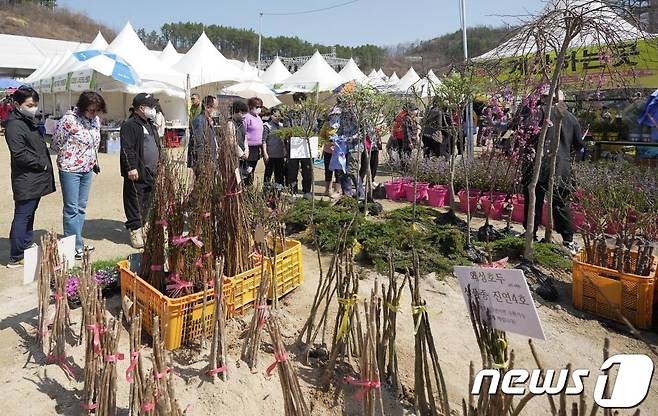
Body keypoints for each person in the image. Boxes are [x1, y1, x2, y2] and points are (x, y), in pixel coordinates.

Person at [523, 90, 584, 254]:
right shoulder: (571, 118)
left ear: (544, 98)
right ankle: (568, 240)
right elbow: (579, 145)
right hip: (561, 168)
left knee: (533, 201)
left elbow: (525, 136)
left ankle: (531, 234)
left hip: (537, 166)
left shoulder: (538, 113)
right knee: (560, 205)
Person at [3, 86, 55, 268]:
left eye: (35, 104)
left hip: (34, 177)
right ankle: (16, 256)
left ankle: (25, 243)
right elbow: (19, 153)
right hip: (27, 178)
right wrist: (41, 164)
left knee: (29, 213)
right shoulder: (14, 124)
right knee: (23, 215)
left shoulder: (26, 119)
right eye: (29, 105)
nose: (34, 108)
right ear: (17, 104)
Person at [51, 91, 106, 259]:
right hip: (70, 169)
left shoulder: (95, 120)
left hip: (87, 168)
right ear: (82, 107)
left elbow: (95, 143)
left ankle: (78, 242)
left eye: (96, 110)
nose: (93, 113)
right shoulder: (68, 120)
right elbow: (55, 143)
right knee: (71, 208)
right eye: (90, 110)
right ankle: (73, 245)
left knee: (81, 207)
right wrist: (72, 153)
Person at [120, 93, 161, 249]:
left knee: (147, 201)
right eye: (151, 106)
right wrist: (131, 167)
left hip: (152, 171)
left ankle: (143, 226)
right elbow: (127, 148)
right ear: (141, 108)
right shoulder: (130, 125)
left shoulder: (149, 123)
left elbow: (156, 145)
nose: (154, 109)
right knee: (134, 202)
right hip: (137, 171)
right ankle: (135, 230)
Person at [286, 92, 313, 199]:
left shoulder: (310, 113)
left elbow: (314, 127)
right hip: (293, 145)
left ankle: (307, 191)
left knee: (307, 169)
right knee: (292, 169)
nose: (299, 104)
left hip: (307, 145)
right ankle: (293, 191)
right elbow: (287, 129)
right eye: (297, 102)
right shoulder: (289, 114)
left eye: (301, 102)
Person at [190, 95, 220, 171]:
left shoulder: (208, 120)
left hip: (211, 159)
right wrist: (201, 163)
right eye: (214, 107)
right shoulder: (199, 121)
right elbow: (199, 143)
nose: (215, 110)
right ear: (207, 107)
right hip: (204, 161)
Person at [319, 106, 341, 198]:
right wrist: (327, 142)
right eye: (334, 114)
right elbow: (321, 136)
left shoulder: (342, 124)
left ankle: (337, 190)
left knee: (338, 171)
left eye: (337, 114)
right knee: (328, 170)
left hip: (339, 151)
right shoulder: (327, 124)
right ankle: (327, 190)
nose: (335, 116)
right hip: (328, 150)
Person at [243, 97, 266, 185]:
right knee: (247, 170)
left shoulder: (258, 118)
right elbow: (243, 132)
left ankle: (249, 186)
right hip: (249, 147)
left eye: (260, 106)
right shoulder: (247, 117)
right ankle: (245, 187)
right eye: (257, 106)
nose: (259, 108)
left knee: (253, 169)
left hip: (257, 147)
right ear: (251, 106)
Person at [263, 108, 286, 187]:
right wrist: (265, 153)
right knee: (268, 173)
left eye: (279, 116)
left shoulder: (282, 126)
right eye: (275, 116)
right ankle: (266, 189)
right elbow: (264, 141)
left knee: (279, 173)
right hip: (270, 154)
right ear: (271, 116)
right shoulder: (267, 126)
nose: (277, 118)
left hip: (280, 154)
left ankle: (278, 190)